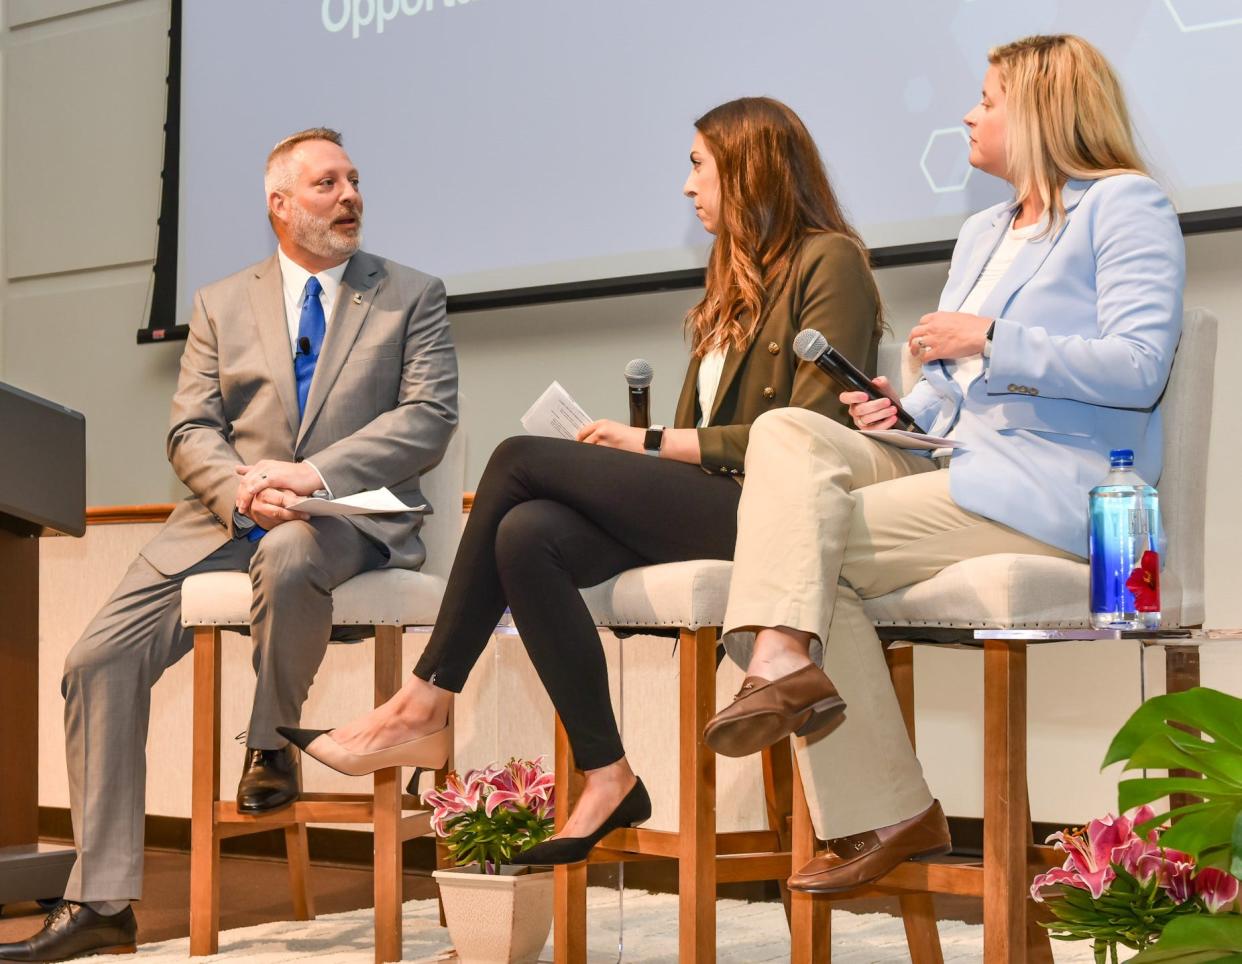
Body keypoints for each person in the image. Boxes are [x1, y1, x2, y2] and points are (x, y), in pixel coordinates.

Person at [281, 96, 882, 864]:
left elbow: (812, 434)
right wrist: (641, 454)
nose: (688, 186)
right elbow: (699, 438)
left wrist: (651, 441)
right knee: (525, 536)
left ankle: (425, 698)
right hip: (715, 501)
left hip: (774, 515)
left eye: (699, 165)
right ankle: (608, 774)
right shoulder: (730, 281)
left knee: (518, 458)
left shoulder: (830, 261)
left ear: (749, 169)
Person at [704, 34, 1186, 895]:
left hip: (1053, 488)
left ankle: (863, 777)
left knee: (800, 549)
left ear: (1041, 110)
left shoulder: (1125, 206)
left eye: (989, 99)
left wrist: (994, 339)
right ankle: (788, 665)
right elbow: (953, 393)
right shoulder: (982, 230)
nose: (970, 113)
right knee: (787, 431)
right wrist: (904, 413)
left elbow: (1140, 367)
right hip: (953, 465)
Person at [0, 128, 458, 963]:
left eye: (354, 181)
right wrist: (242, 487)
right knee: (95, 661)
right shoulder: (219, 302)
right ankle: (103, 901)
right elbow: (190, 428)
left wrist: (309, 476)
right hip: (222, 519)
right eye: (327, 184)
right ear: (280, 204)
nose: (350, 195)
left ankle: (271, 742)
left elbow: (427, 420)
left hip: (347, 521)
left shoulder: (410, 295)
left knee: (288, 556)